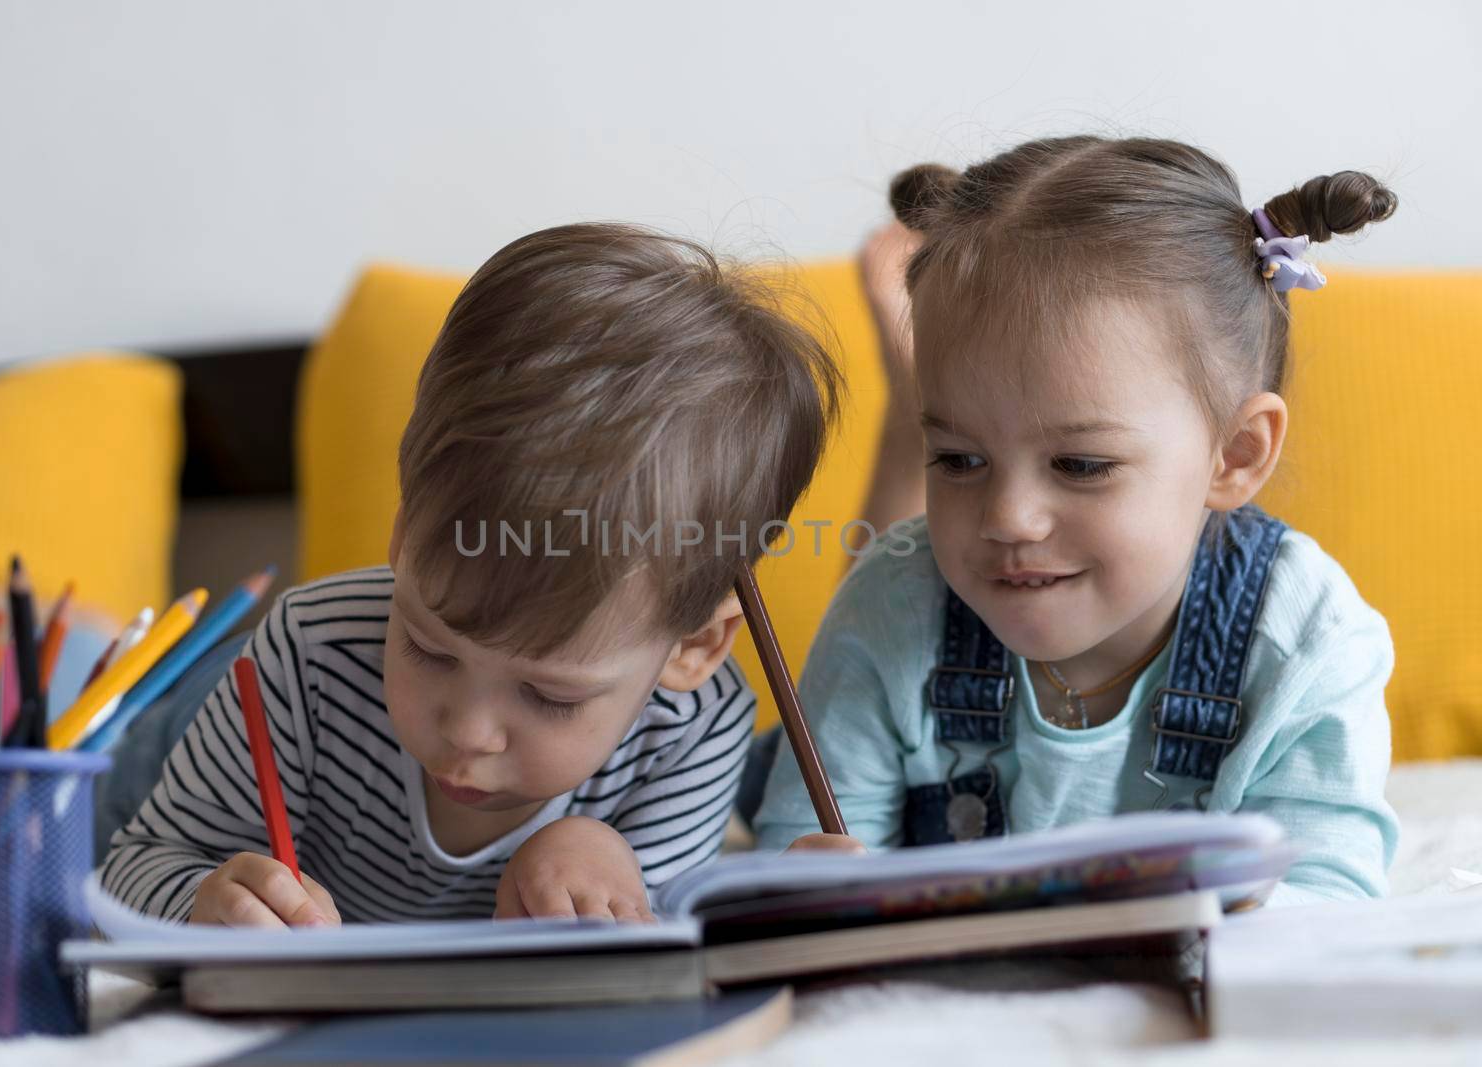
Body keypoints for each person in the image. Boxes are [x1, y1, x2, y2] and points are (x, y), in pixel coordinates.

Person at [100, 223, 841, 926]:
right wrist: (202, 903)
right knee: (104, 740)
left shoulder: (695, 728)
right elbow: (130, 865)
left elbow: (652, 964)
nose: (469, 731)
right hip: (174, 733)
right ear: (402, 533)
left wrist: (606, 863)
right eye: (428, 646)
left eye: (549, 694)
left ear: (695, 649)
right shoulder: (304, 649)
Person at [751, 136, 1400, 906]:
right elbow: (798, 865)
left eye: (1080, 465)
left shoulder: (1310, 642)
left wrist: (1248, 911)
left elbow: (1331, 904)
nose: (1009, 518)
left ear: (1233, 454)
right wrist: (816, 886)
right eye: (957, 458)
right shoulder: (887, 610)